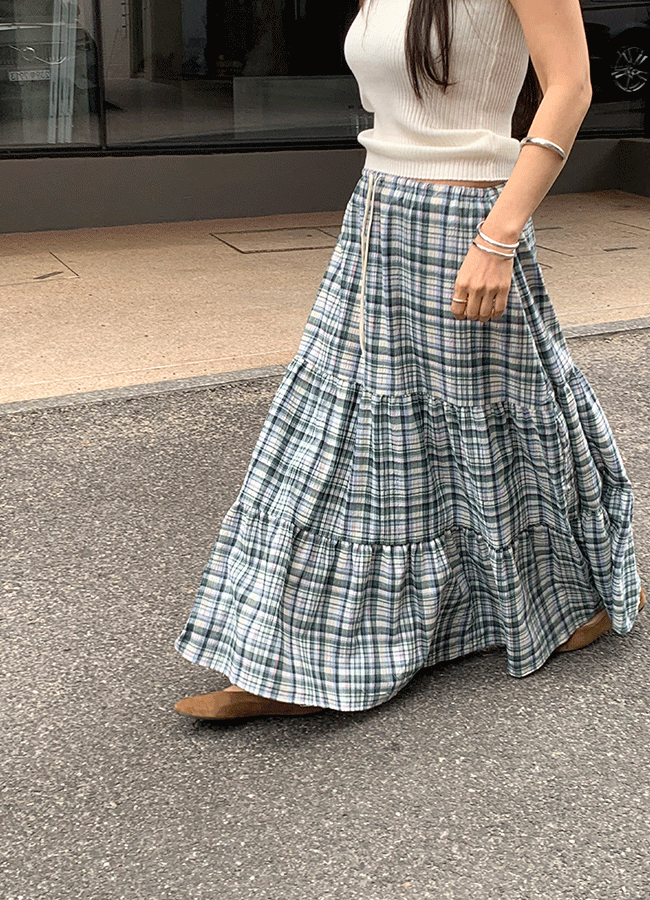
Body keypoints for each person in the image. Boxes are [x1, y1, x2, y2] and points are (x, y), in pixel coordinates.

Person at [174, 0, 644, 721]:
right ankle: (308, 651)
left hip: (467, 221)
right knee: (351, 429)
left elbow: (571, 86)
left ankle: (580, 594)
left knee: (501, 415)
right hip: (379, 212)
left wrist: (498, 237)